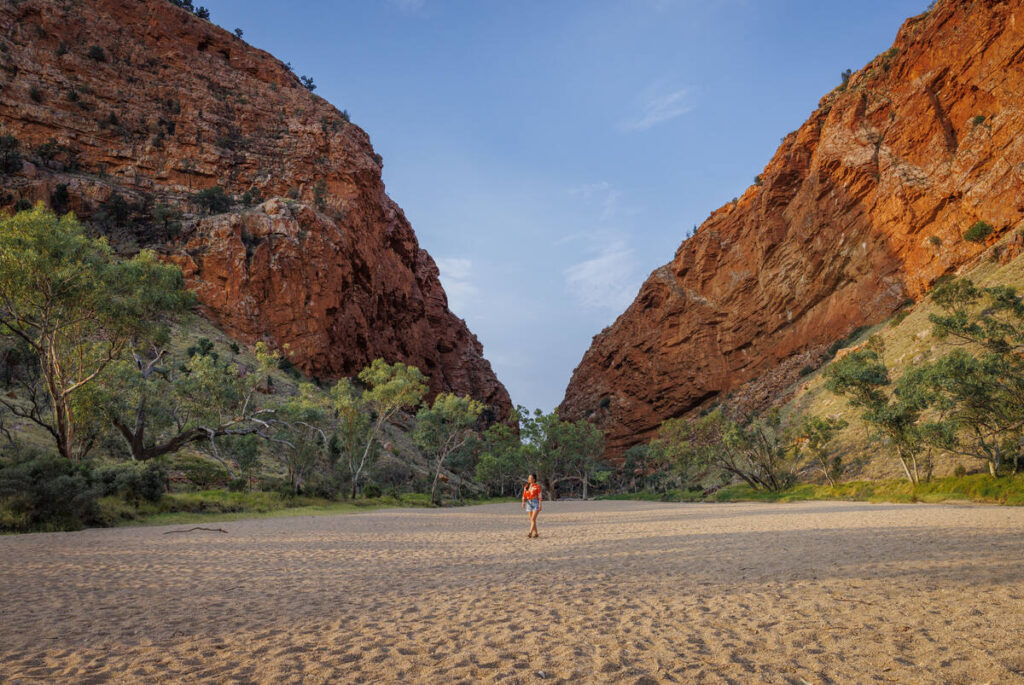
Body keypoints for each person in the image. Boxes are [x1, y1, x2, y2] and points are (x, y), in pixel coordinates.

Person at [522, 473, 542, 538]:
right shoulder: (526, 487)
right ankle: (536, 533)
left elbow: (540, 496)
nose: (529, 479)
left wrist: (540, 505)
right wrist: (523, 502)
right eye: (528, 478)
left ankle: (530, 532)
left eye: (530, 478)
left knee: (533, 519)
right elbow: (524, 496)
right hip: (529, 503)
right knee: (532, 520)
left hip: (535, 502)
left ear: (534, 479)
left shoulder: (537, 487)